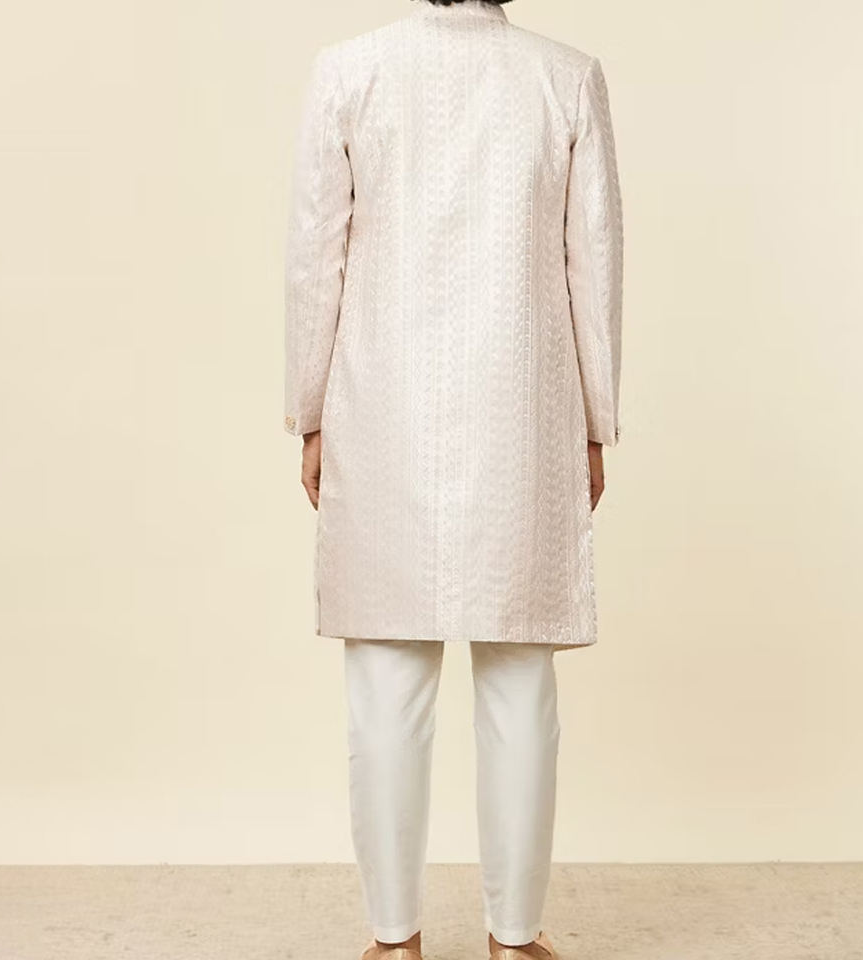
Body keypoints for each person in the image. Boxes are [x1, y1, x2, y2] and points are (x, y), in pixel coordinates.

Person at [282, 0, 624, 957]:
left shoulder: (349, 70)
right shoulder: (565, 76)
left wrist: (309, 410)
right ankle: (515, 940)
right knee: (519, 683)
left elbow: (315, 255)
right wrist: (596, 420)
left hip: (382, 403)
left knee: (385, 684)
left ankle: (394, 941)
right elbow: (593, 263)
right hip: (526, 408)